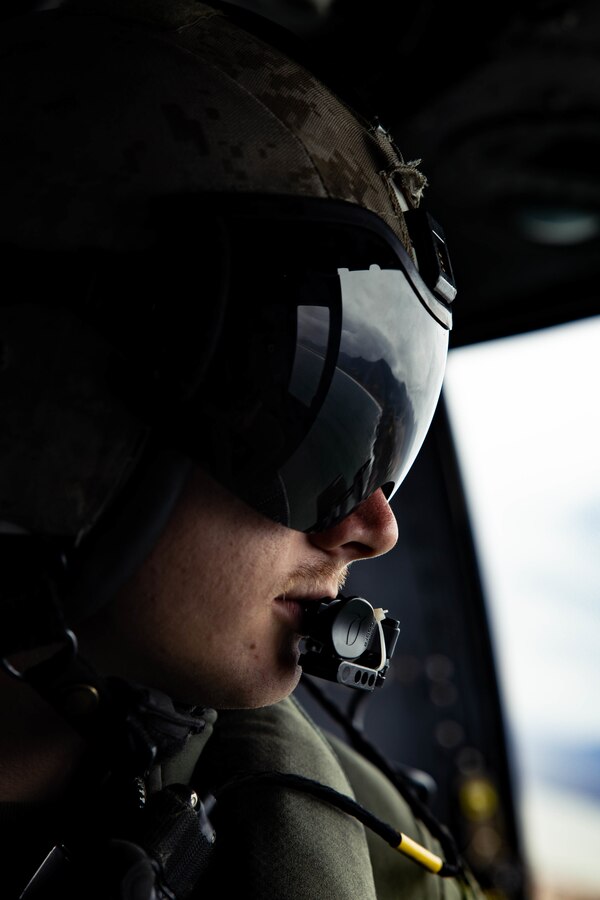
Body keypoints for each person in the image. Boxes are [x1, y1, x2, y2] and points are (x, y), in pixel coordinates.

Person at [0, 1, 484, 897]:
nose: (374, 526)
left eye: (388, 442)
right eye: (299, 414)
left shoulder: (348, 833)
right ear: (45, 413)